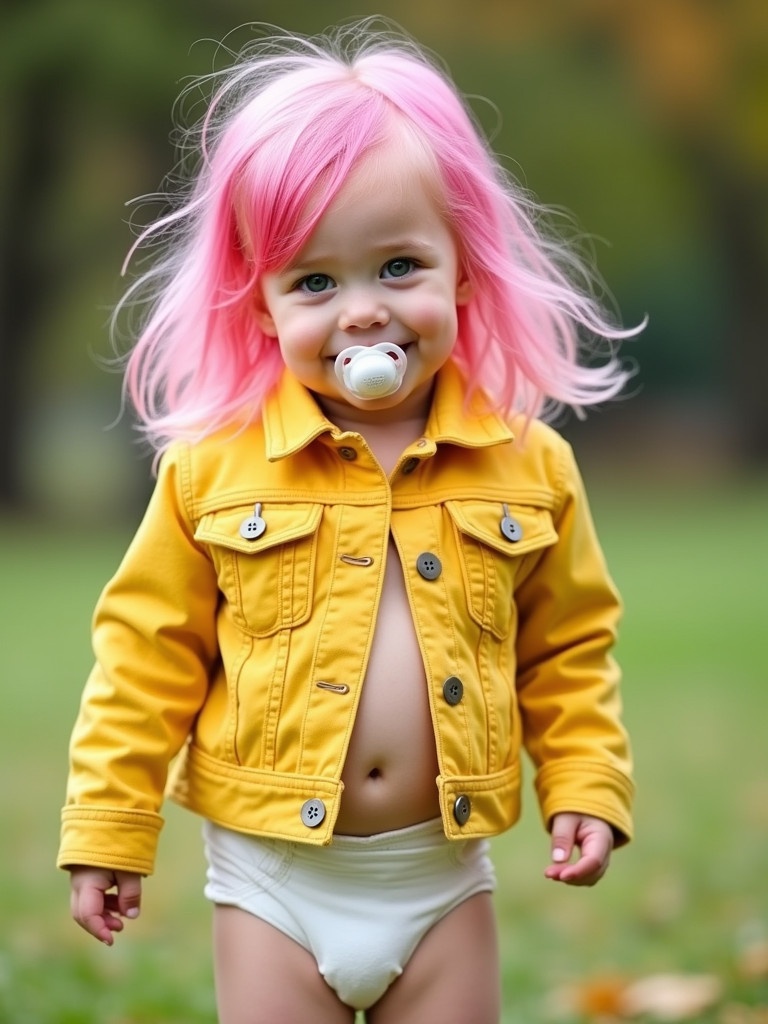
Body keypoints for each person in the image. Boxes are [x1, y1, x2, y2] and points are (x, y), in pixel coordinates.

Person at [58, 19, 639, 1024]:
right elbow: (144, 657)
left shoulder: (529, 466)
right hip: (273, 883)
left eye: (399, 266)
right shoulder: (211, 474)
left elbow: (569, 646)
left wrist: (586, 781)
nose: (362, 311)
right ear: (262, 308)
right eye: (316, 283)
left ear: (466, 267)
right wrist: (109, 827)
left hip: (440, 878)